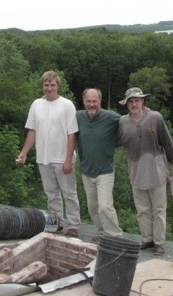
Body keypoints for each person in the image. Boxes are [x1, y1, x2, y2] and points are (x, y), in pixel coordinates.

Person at [116, 87, 173, 256]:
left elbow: (167, 141)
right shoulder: (123, 122)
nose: (133, 104)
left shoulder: (155, 118)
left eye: (136, 100)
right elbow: (115, 140)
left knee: (159, 210)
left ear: (143, 101)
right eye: (130, 101)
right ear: (126, 104)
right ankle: (147, 239)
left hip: (157, 171)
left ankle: (159, 242)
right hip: (136, 173)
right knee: (143, 210)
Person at [16, 71, 81, 237]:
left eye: (52, 85)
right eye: (46, 84)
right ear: (42, 86)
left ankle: (73, 225)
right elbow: (33, 130)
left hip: (62, 159)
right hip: (43, 158)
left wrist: (68, 159)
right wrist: (23, 152)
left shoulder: (67, 105)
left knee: (69, 194)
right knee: (51, 194)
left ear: (58, 86)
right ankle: (57, 222)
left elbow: (72, 134)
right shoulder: (36, 104)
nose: (49, 88)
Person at [76, 88, 123, 241]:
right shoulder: (78, 116)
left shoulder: (111, 117)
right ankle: (102, 231)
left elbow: (129, 122)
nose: (91, 104)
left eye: (94, 101)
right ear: (84, 102)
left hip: (105, 170)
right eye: (88, 101)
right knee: (92, 207)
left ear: (100, 102)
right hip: (86, 169)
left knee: (105, 206)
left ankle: (115, 236)